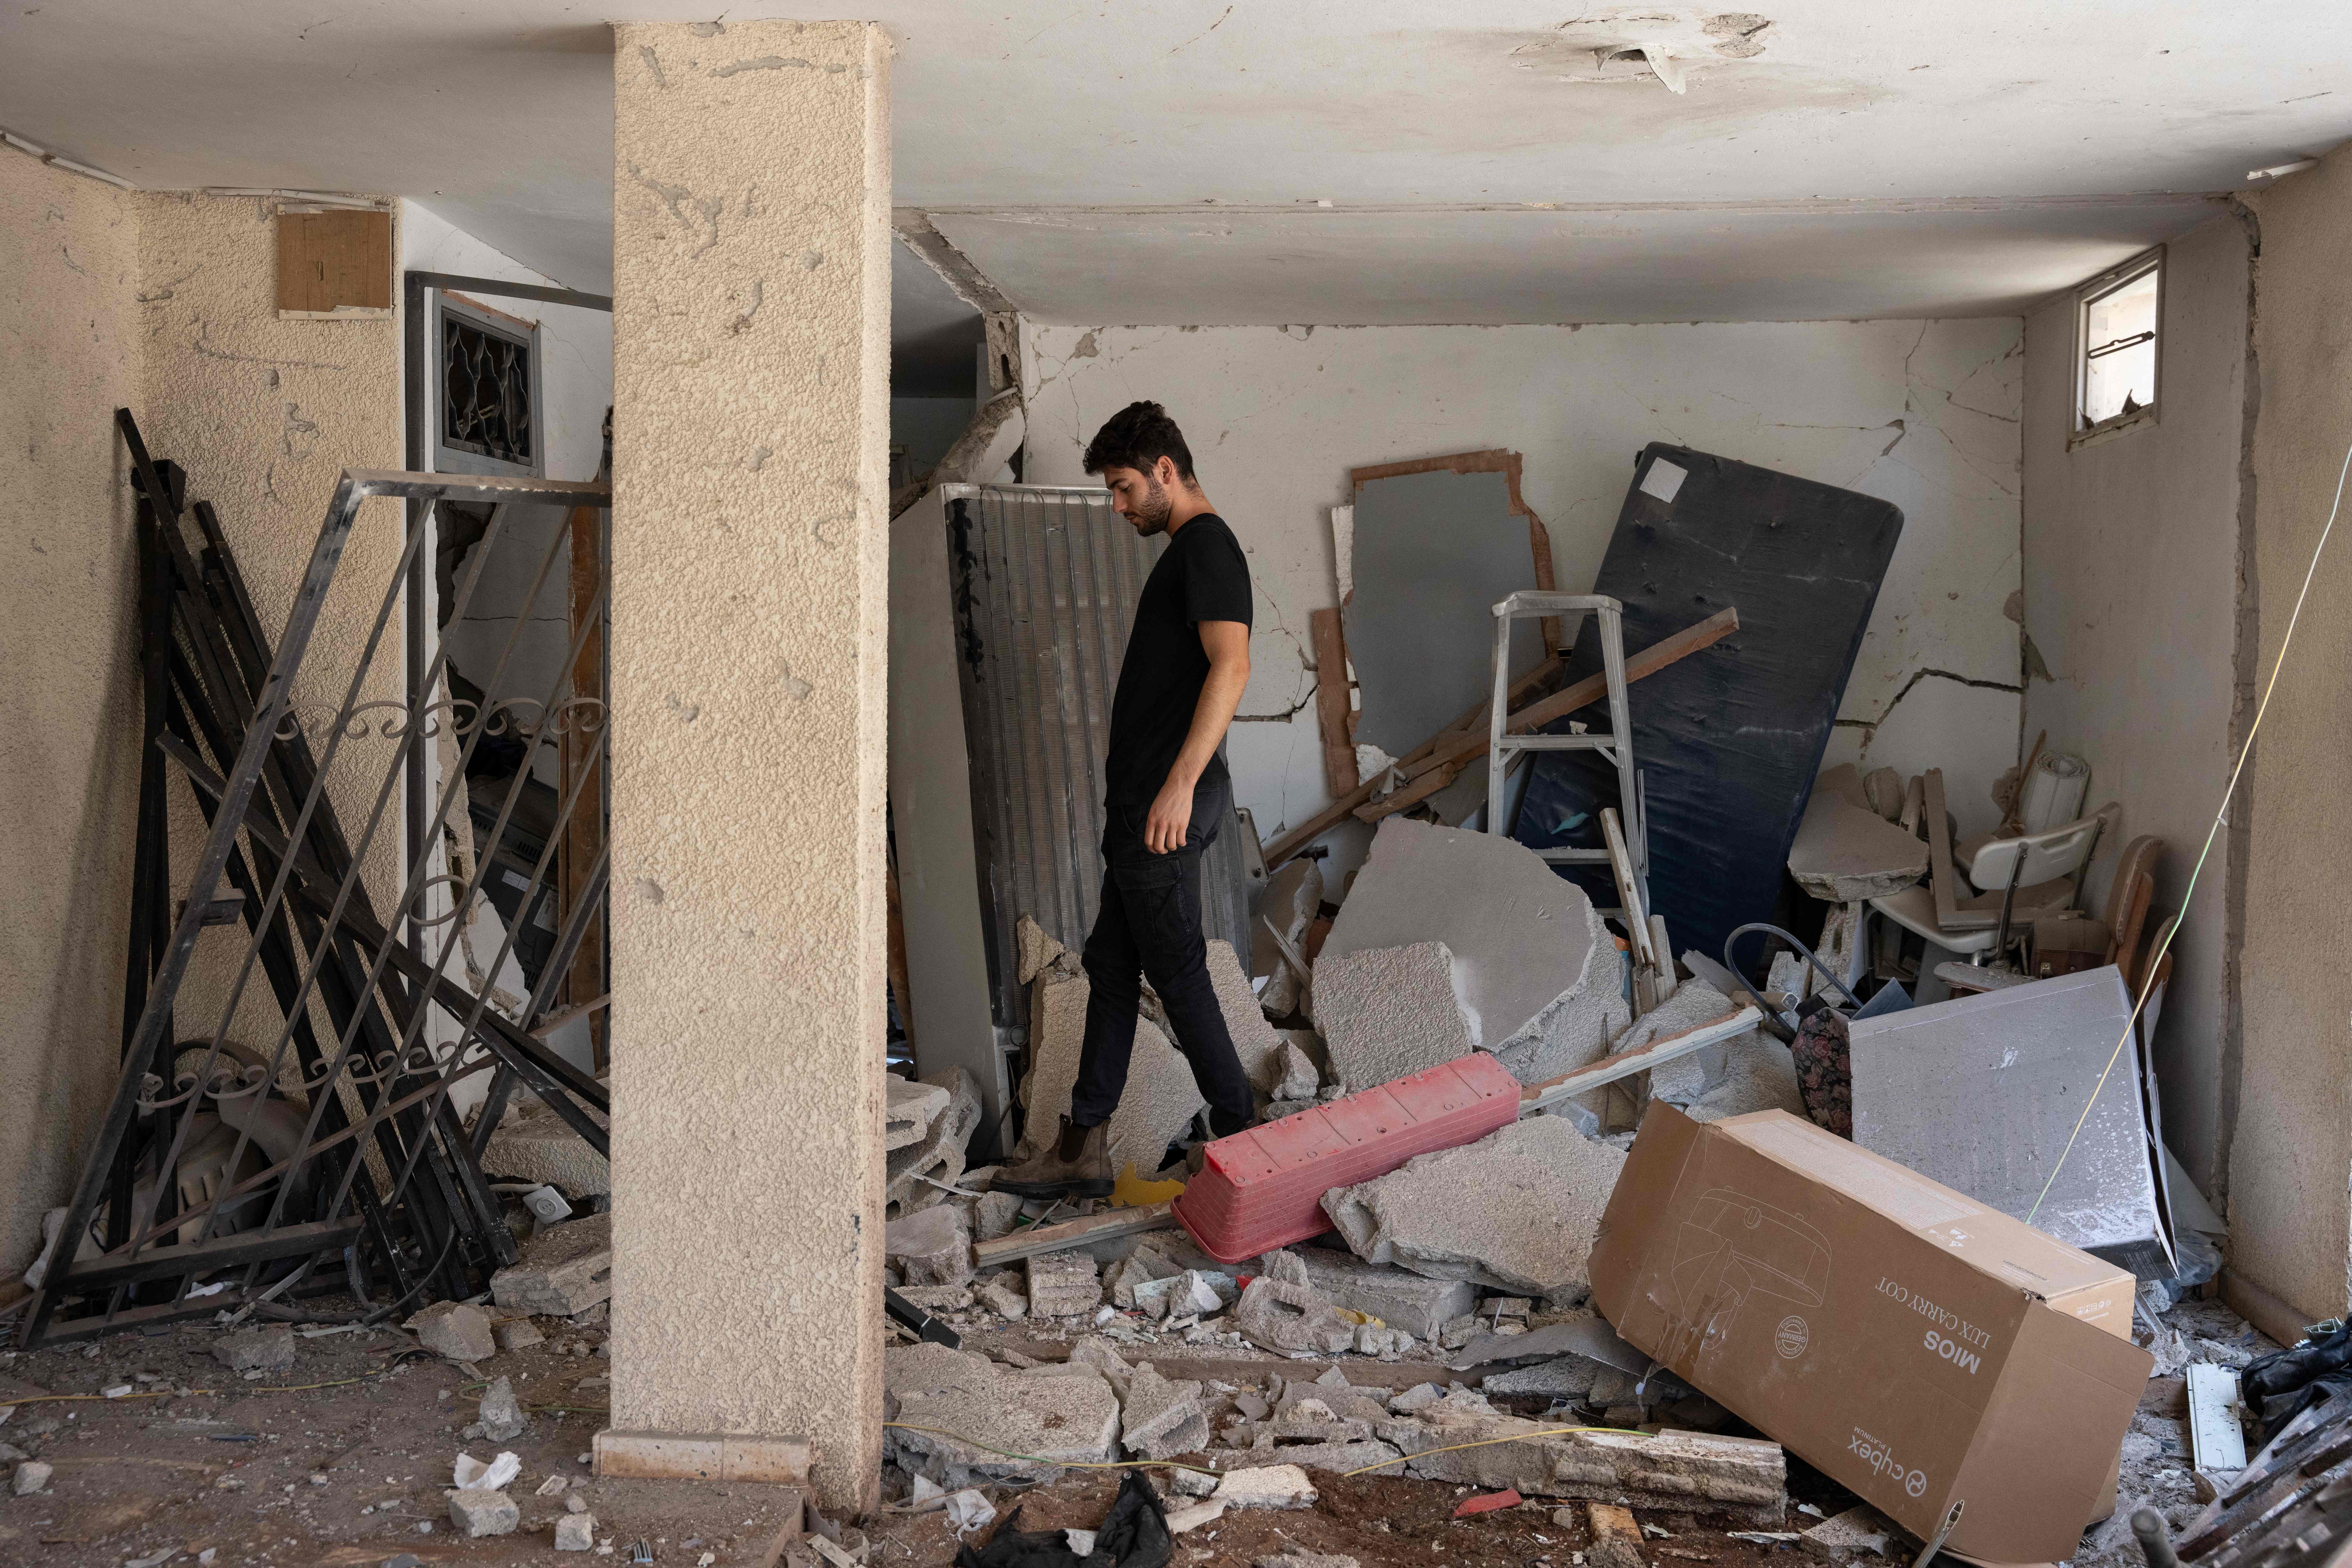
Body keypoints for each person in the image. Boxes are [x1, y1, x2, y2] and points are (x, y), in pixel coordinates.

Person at [996, 402, 1257, 1198]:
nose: (1116, 507)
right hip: (1144, 805)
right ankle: (1080, 1147)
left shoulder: (1206, 547)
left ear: (1166, 472)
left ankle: (1247, 1146)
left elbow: (1232, 667)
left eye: (1121, 488)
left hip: (1164, 806)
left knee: (1178, 971)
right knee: (1111, 966)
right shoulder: (1187, 553)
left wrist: (1177, 785)